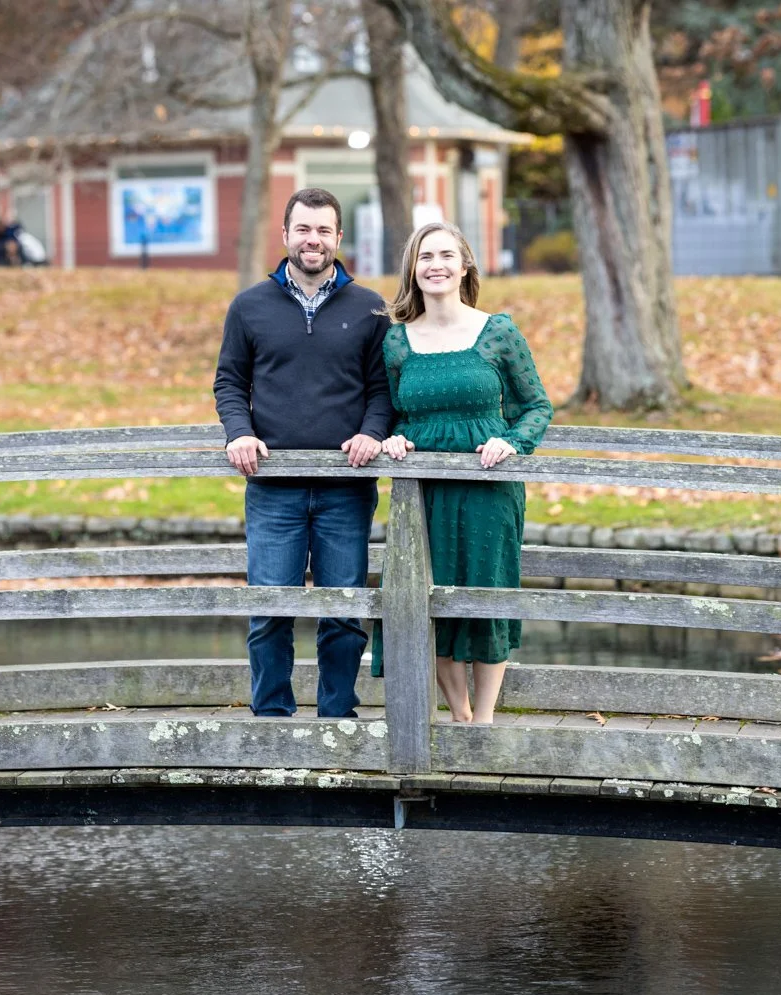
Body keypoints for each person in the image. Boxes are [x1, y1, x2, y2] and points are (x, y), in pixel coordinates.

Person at [213, 188, 393, 718]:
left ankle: (338, 716)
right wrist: (238, 432)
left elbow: (383, 388)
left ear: (339, 238)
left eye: (323, 231)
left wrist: (372, 432)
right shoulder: (249, 306)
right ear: (286, 235)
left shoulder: (370, 308)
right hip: (273, 487)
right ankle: (271, 716)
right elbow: (229, 381)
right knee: (270, 609)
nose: (313, 240)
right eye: (303, 229)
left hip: (347, 486)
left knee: (344, 611)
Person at [378, 222, 552, 724]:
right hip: (421, 491)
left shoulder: (497, 331)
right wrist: (394, 435)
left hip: (488, 487)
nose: (436, 265)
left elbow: (535, 405)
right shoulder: (396, 342)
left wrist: (512, 441)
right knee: (422, 596)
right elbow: (391, 411)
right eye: (425, 256)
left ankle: (485, 721)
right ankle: (458, 714)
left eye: (446, 255)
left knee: (486, 590)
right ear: (413, 268)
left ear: (465, 264)